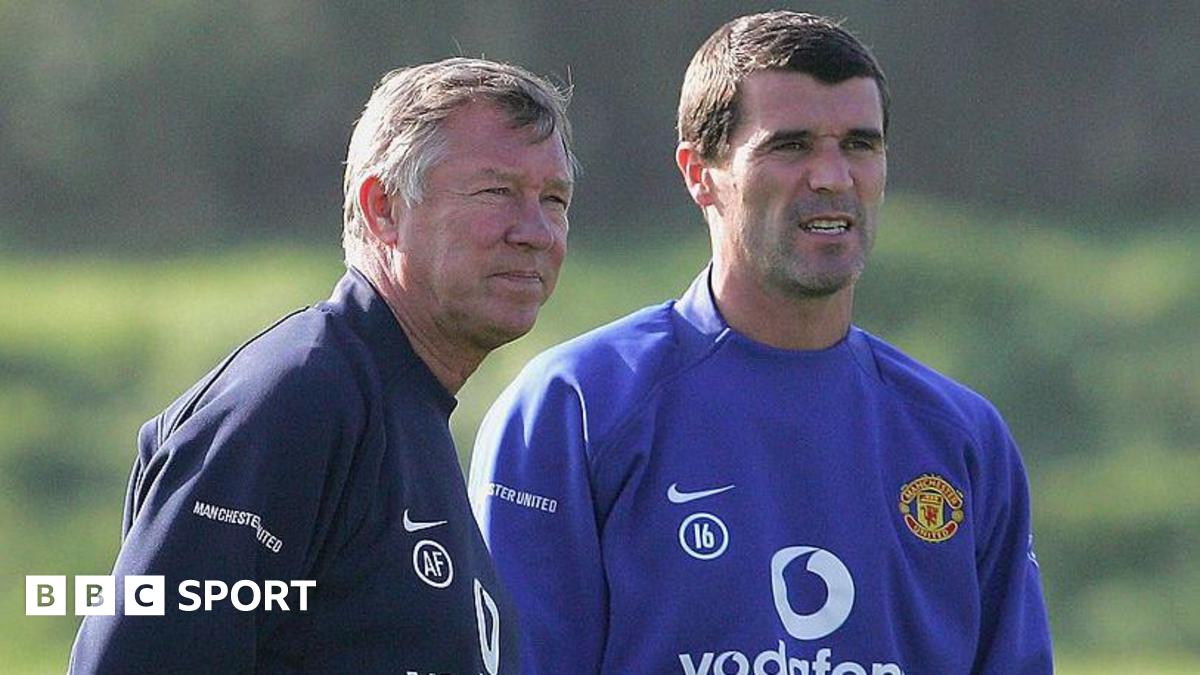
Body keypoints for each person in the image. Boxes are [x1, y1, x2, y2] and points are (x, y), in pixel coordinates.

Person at [469, 11, 1053, 674]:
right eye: (792, 145)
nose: (832, 177)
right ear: (700, 172)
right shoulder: (572, 409)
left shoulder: (964, 438)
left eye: (860, 144)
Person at [70, 57, 576, 674]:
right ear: (382, 208)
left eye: (554, 199)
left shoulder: (404, 407)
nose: (537, 232)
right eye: (497, 191)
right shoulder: (301, 397)